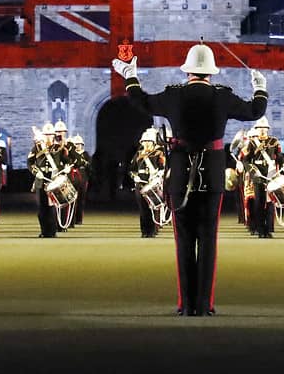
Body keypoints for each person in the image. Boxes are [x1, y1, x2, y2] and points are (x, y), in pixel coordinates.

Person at [113, 43, 267, 316]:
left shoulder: (174, 95)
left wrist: (131, 76)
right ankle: (205, 304)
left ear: (187, 71)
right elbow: (255, 112)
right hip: (212, 172)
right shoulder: (222, 96)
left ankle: (186, 305)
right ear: (210, 72)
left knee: (183, 241)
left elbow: (141, 101)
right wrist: (260, 88)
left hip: (180, 173)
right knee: (208, 241)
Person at [130, 128, 166, 237]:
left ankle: (152, 231)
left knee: (154, 208)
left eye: (148, 141)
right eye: (144, 141)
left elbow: (162, 168)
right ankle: (144, 231)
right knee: (143, 209)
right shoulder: (139, 154)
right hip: (141, 184)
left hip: (153, 184)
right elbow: (132, 169)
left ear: (153, 142)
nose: (146, 144)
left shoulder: (158, 153)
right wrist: (134, 176)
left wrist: (157, 177)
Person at [68, 134, 90, 226]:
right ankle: (71, 220)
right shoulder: (71, 154)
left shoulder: (85, 154)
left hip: (83, 178)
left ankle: (79, 219)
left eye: (80, 144)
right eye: (76, 144)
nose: (78, 146)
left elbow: (89, 166)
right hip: (73, 178)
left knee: (81, 200)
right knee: (72, 199)